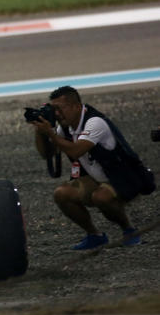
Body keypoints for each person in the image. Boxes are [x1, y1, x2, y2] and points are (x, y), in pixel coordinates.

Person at [29, 85, 154, 250]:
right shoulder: (66, 127)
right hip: (98, 178)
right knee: (62, 194)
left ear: (76, 106)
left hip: (126, 179)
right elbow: (47, 154)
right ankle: (95, 235)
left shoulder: (95, 122)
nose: (56, 114)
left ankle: (129, 230)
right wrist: (40, 131)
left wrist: (51, 134)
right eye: (54, 110)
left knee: (101, 197)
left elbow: (76, 150)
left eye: (59, 109)